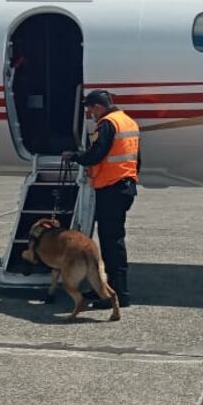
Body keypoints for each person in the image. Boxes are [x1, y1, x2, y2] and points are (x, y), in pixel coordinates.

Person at [62, 90, 139, 308]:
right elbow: (136, 158)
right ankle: (113, 289)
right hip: (125, 187)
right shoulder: (128, 122)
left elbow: (97, 153)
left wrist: (75, 157)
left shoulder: (106, 124)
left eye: (89, 109)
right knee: (114, 241)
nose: (88, 113)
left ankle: (116, 294)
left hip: (111, 190)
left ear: (98, 107)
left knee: (110, 244)